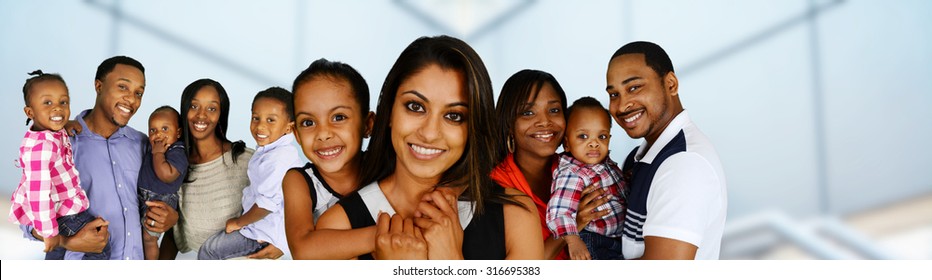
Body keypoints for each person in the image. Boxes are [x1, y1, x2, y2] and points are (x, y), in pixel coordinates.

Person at [315, 35, 543, 260]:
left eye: (454, 115)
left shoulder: (516, 216)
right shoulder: (338, 228)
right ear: (390, 110)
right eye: (415, 106)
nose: (430, 133)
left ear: (473, 126)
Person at [22, 56, 179, 260]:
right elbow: (27, 221)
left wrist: (171, 217)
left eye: (138, 93)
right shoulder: (61, 143)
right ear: (99, 86)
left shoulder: (144, 145)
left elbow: (164, 194)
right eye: (123, 87)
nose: (131, 99)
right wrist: (66, 241)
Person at [605, 41, 727, 259]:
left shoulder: (685, 164)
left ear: (670, 84)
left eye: (634, 88)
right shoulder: (637, 159)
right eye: (614, 94)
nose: (622, 106)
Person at [490, 69, 611, 260]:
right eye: (528, 112)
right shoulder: (494, 187)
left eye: (554, 110)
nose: (545, 122)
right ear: (509, 124)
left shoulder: (579, 168)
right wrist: (574, 224)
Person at [159, 79, 281, 260]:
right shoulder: (174, 168)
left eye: (211, 108)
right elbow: (173, 232)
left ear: (221, 114)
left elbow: (285, 203)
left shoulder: (247, 161)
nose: (201, 116)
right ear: (184, 110)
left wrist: (283, 244)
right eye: (194, 106)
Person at [9, 70, 108, 260]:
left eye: (63, 102)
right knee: (101, 246)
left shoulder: (48, 131)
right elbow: (38, 193)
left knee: (58, 256)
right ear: (30, 112)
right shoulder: (42, 148)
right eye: (47, 103)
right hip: (60, 212)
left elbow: (54, 121)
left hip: (61, 207)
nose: (57, 109)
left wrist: (64, 124)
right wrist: (49, 232)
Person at [283, 58, 375, 259]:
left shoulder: (383, 168)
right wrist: (384, 236)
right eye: (308, 122)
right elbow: (303, 250)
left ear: (367, 125)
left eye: (338, 117)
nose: (323, 134)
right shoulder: (299, 181)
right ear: (297, 135)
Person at [198, 87, 301, 260]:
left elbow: (266, 205)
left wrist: (238, 223)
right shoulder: (270, 151)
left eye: (271, 120)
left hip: (264, 235)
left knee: (210, 250)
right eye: (256, 118)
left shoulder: (278, 159)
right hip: (259, 226)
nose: (260, 126)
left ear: (289, 128)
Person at [546, 96, 627, 260]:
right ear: (567, 143)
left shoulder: (605, 164)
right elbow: (559, 211)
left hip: (617, 239)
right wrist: (573, 240)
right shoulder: (572, 174)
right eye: (583, 136)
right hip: (593, 240)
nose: (594, 143)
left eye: (602, 137)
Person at [138, 105, 188, 260]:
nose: (158, 134)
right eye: (152, 130)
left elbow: (167, 175)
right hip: (143, 197)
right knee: (139, 236)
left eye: (165, 129)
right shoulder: (154, 148)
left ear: (178, 132)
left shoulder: (177, 151)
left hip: (159, 201)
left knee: (149, 239)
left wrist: (158, 153)